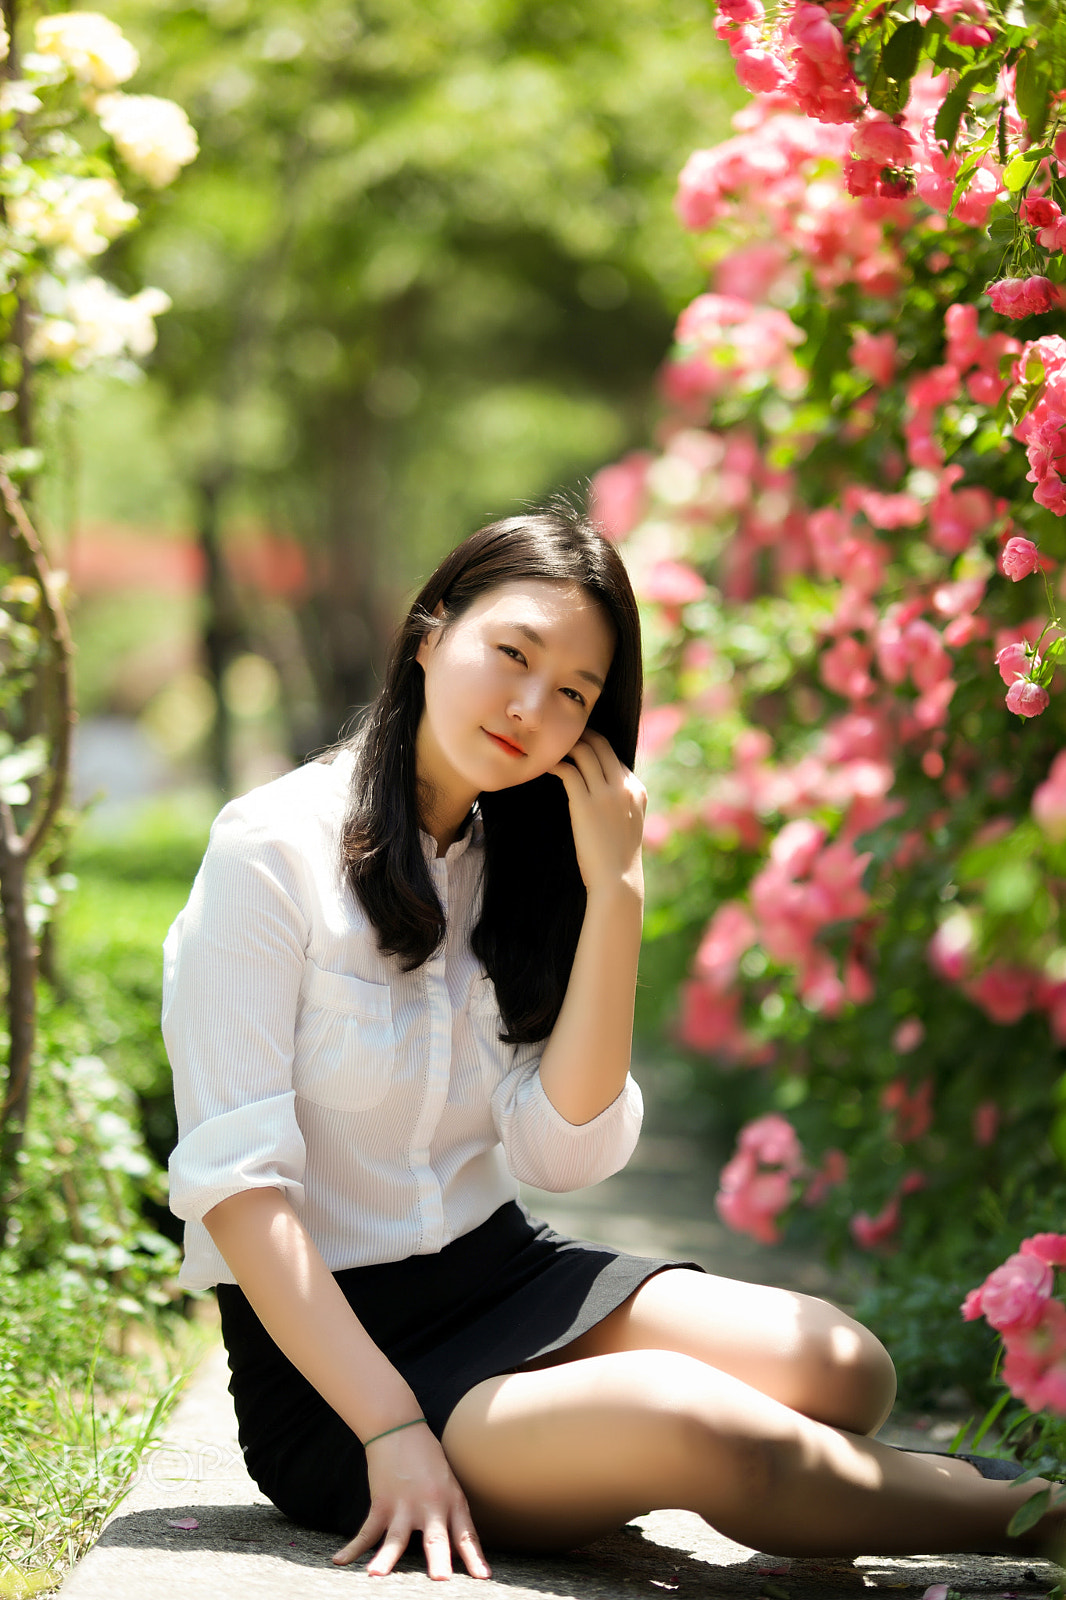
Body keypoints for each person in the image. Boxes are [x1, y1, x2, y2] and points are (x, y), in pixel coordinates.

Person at [164, 505, 1063, 1582]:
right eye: (512, 653)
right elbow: (240, 1191)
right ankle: (1037, 1515)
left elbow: (561, 1152)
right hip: (335, 1371)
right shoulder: (269, 850)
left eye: (574, 694)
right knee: (713, 1430)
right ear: (427, 630)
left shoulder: (516, 863)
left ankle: (784, 1475)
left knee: (839, 1366)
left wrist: (616, 891)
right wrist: (394, 1432)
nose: (530, 708)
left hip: (500, 1275)